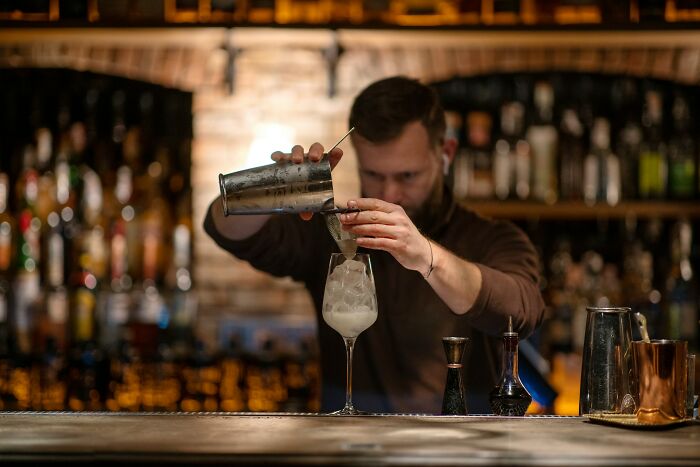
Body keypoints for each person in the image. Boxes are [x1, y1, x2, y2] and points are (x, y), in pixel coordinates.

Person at [204, 76, 545, 414]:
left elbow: (520, 312)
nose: (390, 193)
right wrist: (276, 185)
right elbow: (223, 227)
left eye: (407, 176)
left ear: (446, 154)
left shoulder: (492, 239)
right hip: (348, 451)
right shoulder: (333, 232)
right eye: (374, 175)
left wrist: (426, 256)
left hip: (459, 454)